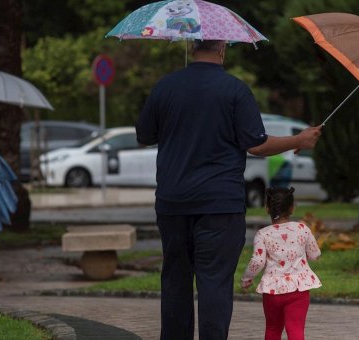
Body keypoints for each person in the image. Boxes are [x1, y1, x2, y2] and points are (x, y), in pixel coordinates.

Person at [136, 39, 322, 340]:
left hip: (173, 203)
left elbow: (144, 134)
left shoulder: (164, 87)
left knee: (175, 280)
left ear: (193, 46)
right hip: (219, 205)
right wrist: (297, 141)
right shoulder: (235, 90)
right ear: (222, 47)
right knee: (214, 283)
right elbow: (256, 144)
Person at [241, 187, 321, 340]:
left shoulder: (263, 234)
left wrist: (247, 279)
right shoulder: (302, 229)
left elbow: (258, 261)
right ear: (292, 207)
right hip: (298, 291)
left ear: (267, 208)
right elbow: (314, 254)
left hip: (272, 292)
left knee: (272, 329)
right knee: (296, 330)